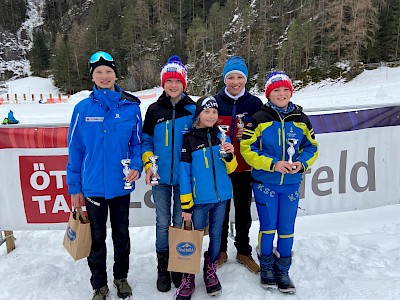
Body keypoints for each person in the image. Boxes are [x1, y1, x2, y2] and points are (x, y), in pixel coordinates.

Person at [66, 51, 143, 300]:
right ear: (92, 76)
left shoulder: (131, 107)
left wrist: (136, 165)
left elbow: (137, 144)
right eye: (98, 72)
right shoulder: (82, 108)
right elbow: (75, 150)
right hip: (93, 188)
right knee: (97, 239)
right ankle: (99, 284)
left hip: (121, 186)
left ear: (115, 74)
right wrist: (75, 187)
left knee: (122, 236)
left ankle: (121, 278)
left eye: (108, 71)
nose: (104, 76)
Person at [240, 71, 319, 294]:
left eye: (285, 89)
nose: (281, 94)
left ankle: (283, 268)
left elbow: (312, 147)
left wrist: (302, 163)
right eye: (276, 90)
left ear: (290, 92)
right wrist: (273, 164)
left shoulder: (301, 119)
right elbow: (248, 149)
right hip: (266, 182)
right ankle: (266, 266)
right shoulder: (258, 118)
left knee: (286, 228)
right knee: (268, 227)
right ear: (268, 94)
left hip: (291, 184)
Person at [141, 55, 196, 292]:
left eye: (177, 81)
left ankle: (177, 265)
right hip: (160, 177)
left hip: (184, 177)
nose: (173, 86)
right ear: (163, 83)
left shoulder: (193, 109)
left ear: (184, 83)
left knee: (178, 221)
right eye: (169, 81)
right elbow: (146, 141)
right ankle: (162, 267)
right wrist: (147, 164)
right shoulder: (154, 110)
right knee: (162, 222)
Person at [176, 95, 238, 300]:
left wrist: (229, 155)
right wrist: (186, 205)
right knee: (193, 237)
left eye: (214, 112)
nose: (211, 115)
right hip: (199, 201)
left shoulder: (223, 137)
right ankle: (188, 275)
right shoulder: (190, 139)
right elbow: (184, 174)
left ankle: (210, 270)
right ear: (199, 115)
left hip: (221, 197)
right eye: (206, 111)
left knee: (217, 235)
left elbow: (232, 168)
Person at [213, 56, 263, 273]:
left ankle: (243, 251)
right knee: (220, 211)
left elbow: (263, 134)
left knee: (243, 211)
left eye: (239, 77)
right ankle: (219, 251)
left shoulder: (254, 104)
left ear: (246, 79)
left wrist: (250, 133)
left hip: (244, 166)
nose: (235, 82)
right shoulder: (215, 101)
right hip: (221, 166)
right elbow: (204, 128)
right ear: (224, 79)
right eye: (231, 77)